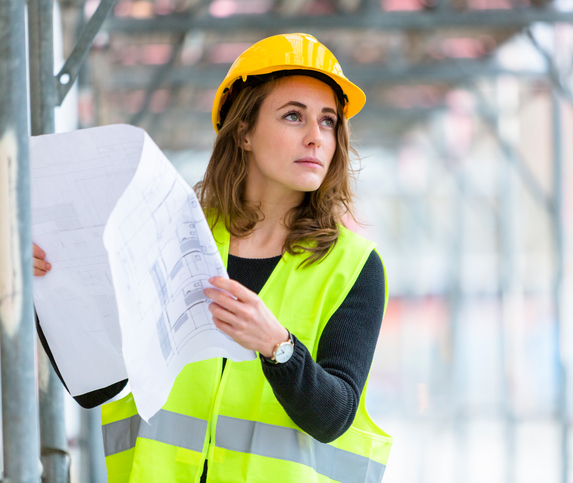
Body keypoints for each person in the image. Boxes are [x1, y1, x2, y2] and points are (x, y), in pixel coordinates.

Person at [33, 32, 392, 482]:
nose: (315, 138)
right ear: (243, 131)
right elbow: (99, 386)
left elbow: (334, 417)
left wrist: (279, 348)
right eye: (293, 116)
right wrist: (46, 287)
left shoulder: (353, 267)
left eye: (327, 122)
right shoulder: (171, 233)